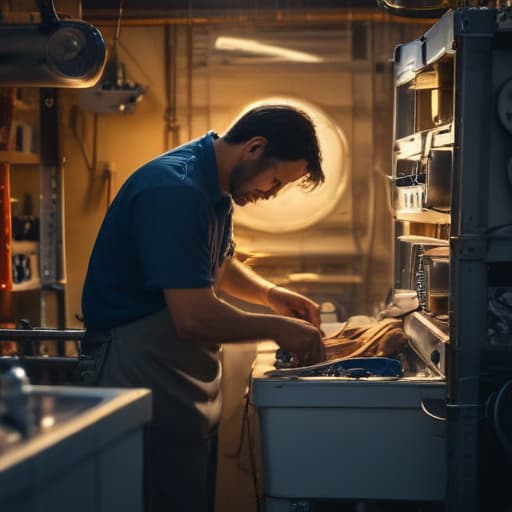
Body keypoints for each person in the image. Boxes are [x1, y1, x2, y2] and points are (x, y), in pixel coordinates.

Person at [79, 105, 325, 512]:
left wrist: (271, 296)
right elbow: (192, 316)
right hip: (135, 366)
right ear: (255, 147)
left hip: (171, 372)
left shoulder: (217, 191)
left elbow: (215, 266)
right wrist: (280, 329)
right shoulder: (176, 191)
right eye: (276, 181)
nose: (270, 193)